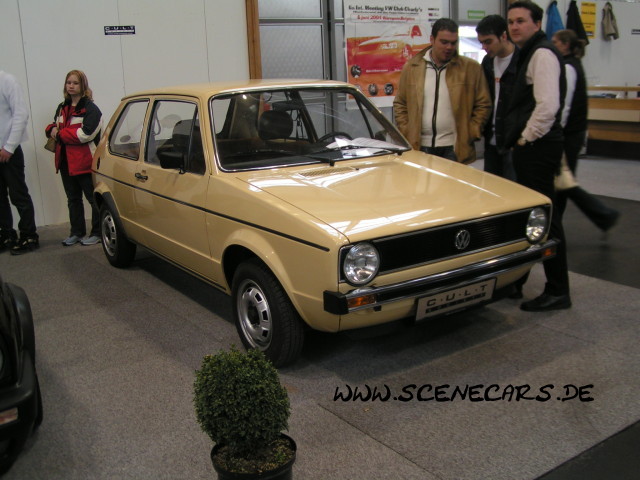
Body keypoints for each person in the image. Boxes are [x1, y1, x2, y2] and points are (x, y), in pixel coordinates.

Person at [504, 1, 571, 311]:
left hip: (538, 147)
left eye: (521, 21)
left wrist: (524, 139)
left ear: (536, 23)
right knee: (535, 216)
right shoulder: (530, 52)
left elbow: (547, 106)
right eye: (511, 22)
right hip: (535, 147)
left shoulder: (542, 54)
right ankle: (519, 282)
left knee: (545, 218)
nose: (514, 26)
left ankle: (558, 290)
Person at [394, 18, 491, 164]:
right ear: (432, 40)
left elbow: (483, 103)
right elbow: (400, 103)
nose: (449, 47)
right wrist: (407, 130)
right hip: (420, 145)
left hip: (454, 147)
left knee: (453, 180)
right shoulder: (412, 67)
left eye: (453, 43)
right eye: (444, 42)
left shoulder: (470, 68)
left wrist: (471, 131)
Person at [551, 29, 619, 231]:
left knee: (564, 182)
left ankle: (604, 215)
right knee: (563, 182)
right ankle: (601, 216)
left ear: (565, 45)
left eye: (555, 42)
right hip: (574, 132)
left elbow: (565, 105)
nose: (552, 45)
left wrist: (556, 131)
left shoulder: (568, 68)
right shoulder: (573, 65)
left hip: (568, 134)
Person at [45, 70, 102, 246]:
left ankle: (98, 233)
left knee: (94, 200)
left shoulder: (92, 109)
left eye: (75, 83)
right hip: (65, 162)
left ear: (83, 85)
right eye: (68, 82)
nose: (71, 86)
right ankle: (76, 232)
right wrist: (51, 129)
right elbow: (55, 125)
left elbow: (85, 134)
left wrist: (60, 133)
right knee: (73, 200)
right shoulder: (62, 106)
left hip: (85, 162)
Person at [0, 70, 39, 255]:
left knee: (18, 195)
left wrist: (9, 147)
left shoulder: (7, 81)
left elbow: (21, 115)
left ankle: (29, 235)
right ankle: (7, 234)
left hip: (9, 151)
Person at [476, 15, 518, 180]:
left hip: (514, 141)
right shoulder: (487, 62)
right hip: (491, 139)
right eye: (481, 43)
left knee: (514, 189)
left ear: (504, 36)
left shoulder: (522, 60)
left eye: (488, 41)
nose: (484, 47)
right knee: (492, 187)